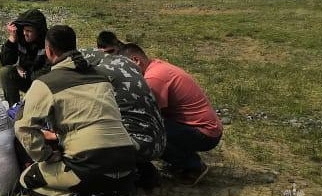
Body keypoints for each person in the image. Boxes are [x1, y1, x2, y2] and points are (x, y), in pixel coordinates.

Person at [16, 25, 138, 196]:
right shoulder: (101, 78)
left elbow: (23, 128)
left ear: (49, 50)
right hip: (128, 162)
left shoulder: (45, 83)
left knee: (27, 179)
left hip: (88, 165)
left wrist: (47, 156)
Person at [120, 44, 222, 185]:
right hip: (203, 127)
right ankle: (183, 159)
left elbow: (148, 116)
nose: (126, 73)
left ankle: (193, 167)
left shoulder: (153, 78)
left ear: (136, 60)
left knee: (148, 132)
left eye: (126, 69)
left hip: (205, 133)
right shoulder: (156, 65)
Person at [80, 47, 167, 189]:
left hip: (139, 145)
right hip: (160, 139)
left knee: (88, 142)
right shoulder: (127, 64)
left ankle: (128, 180)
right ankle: (142, 170)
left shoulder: (99, 74)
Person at [0, 8, 49, 106]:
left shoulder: (48, 42)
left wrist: (27, 75)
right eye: (24, 30)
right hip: (26, 79)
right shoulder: (20, 37)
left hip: (43, 84)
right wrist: (12, 39)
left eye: (29, 31)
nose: (25, 33)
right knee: (6, 72)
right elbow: (5, 61)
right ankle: (14, 109)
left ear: (38, 31)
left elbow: (49, 69)